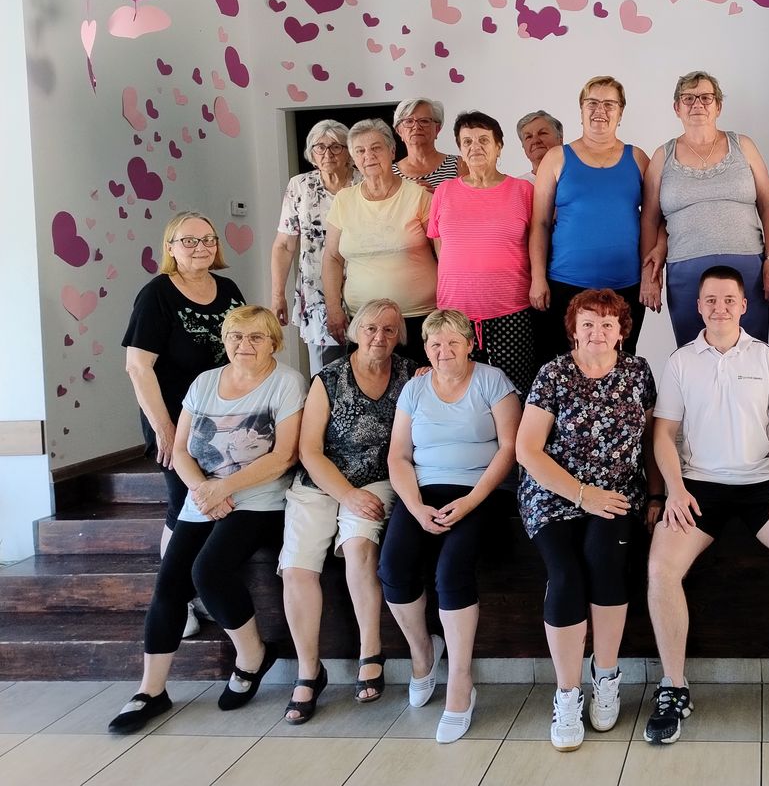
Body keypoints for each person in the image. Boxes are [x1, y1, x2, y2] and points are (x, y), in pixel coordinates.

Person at [646, 266, 769, 747]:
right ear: (698, 307)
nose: (720, 308)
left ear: (744, 306)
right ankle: (673, 686)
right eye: (710, 300)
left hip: (762, 483)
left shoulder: (768, 358)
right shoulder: (681, 361)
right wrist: (674, 489)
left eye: (729, 299)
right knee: (661, 569)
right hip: (697, 485)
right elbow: (663, 434)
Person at [108, 306, 306, 733]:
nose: (244, 345)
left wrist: (224, 488)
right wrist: (203, 490)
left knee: (208, 570)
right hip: (204, 493)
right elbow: (180, 450)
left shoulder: (287, 382)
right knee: (169, 582)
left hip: (260, 499)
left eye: (255, 337)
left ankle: (252, 656)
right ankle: (151, 690)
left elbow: (284, 455)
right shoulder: (204, 383)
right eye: (235, 336)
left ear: (274, 342)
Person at [515, 289, 658, 752]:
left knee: (606, 561)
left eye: (607, 324)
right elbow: (527, 450)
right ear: (574, 330)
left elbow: (651, 440)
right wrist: (581, 494)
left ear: (621, 332)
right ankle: (567, 693)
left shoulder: (638, 372)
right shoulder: (553, 373)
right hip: (555, 493)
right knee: (566, 573)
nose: (598, 332)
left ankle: (607, 676)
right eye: (588, 323)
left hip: (617, 494)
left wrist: (656, 494)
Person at [378, 309, 520, 744]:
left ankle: (460, 680)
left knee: (451, 571)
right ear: (425, 348)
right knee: (393, 567)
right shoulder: (414, 389)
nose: (443, 351)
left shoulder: (493, 381)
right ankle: (424, 654)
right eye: (435, 344)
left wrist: (472, 500)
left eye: (453, 342)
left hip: (482, 492)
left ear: (470, 344)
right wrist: (415, 506)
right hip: (422, 492)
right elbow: (398, 456)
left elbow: (510, 448)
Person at [277, 299, 416, 725]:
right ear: (356, 332)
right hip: (322, 479)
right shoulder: (329, 378)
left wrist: (359, 496)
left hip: (378, 477)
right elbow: (309, 450)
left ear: (399, 336)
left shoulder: (411, 375)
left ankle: (370, 651)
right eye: (371, 328)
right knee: (298, 567)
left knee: (358, 546)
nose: (380, 337)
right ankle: (308, 671)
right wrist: (346, 494)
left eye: (389, 330)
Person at [123, 210, 245, 638]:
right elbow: (138, 367)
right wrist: (164, 429)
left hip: (224, 419)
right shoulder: (156, 294)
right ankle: (175, 598)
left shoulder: (227, 289)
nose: (200, 247)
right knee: (185, 503)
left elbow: (243, 348)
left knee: (216, 500)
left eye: (208, 239)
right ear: (171, 247)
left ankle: (201, 586)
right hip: (175, 419)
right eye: (189, 240)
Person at [640, 70, 769, 345]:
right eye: (688, 98)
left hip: (747, 268)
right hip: (685, 270)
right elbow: (649, 219)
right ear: (677, 107)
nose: (698, 104)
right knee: (693, 354)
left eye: (706, 97)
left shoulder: (743, 146)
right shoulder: (662, 156)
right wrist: (649, 274)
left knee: (751, 353)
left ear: (718, 106)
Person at [529, 76, 650, 360]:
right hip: (565, 284)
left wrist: (650, 276)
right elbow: (540, 224)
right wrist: (537, 277)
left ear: (621, 112)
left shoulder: (638, 158)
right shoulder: (557, 158)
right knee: (566, 366)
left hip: (625, 286)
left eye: (609, 104)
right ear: (581, 110)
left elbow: (652, 221)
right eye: (592, 103)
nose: (600, 110)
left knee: (620, 365)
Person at [427, 111, 536, 395]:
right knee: (461, 393)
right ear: (460, 149)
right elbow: (440, 246)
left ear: (499, 146)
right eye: (467, 141)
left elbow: (537, 244)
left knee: (514, 392)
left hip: (510, 311)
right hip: (455, 316)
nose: (475, 146)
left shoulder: (523, 191)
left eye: (483, 140)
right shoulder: (444, 192)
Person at [324, 118, 436, 365]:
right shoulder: (344, 200)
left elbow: (443, 254)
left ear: (392, 151)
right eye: (360, 151)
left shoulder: (419, 196)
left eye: (376, 148)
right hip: (363, 321)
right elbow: (332, 257)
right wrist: (333, 308)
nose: (369, 156)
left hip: (418, 318)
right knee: (370, 383)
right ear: (353, 158)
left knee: (418, 384)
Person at [270, 119, 359, 373]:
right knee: (326, 372)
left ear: (349, 152)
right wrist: (278, 295)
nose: (327, 154)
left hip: (363, 285)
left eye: (336, 147)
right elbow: (284, 245)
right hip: (316, 291)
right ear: (311, 153)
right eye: (319, 147)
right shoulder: (300, 186)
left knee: (371, 362)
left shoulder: (364, 181)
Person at [392, 97, 467, 190]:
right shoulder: (391, 173)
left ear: (437, 129)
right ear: (399, 131)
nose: (416, 127)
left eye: (424, 121)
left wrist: (437, 196)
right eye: (409, 121)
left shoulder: (459, 165)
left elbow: (472, 198)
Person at [517, 110, 564, 184]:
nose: (535, 141)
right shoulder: (517, 186)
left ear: (560, 138)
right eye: (529, 137)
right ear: (523, 146)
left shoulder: (578, 174)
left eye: (542, 133)